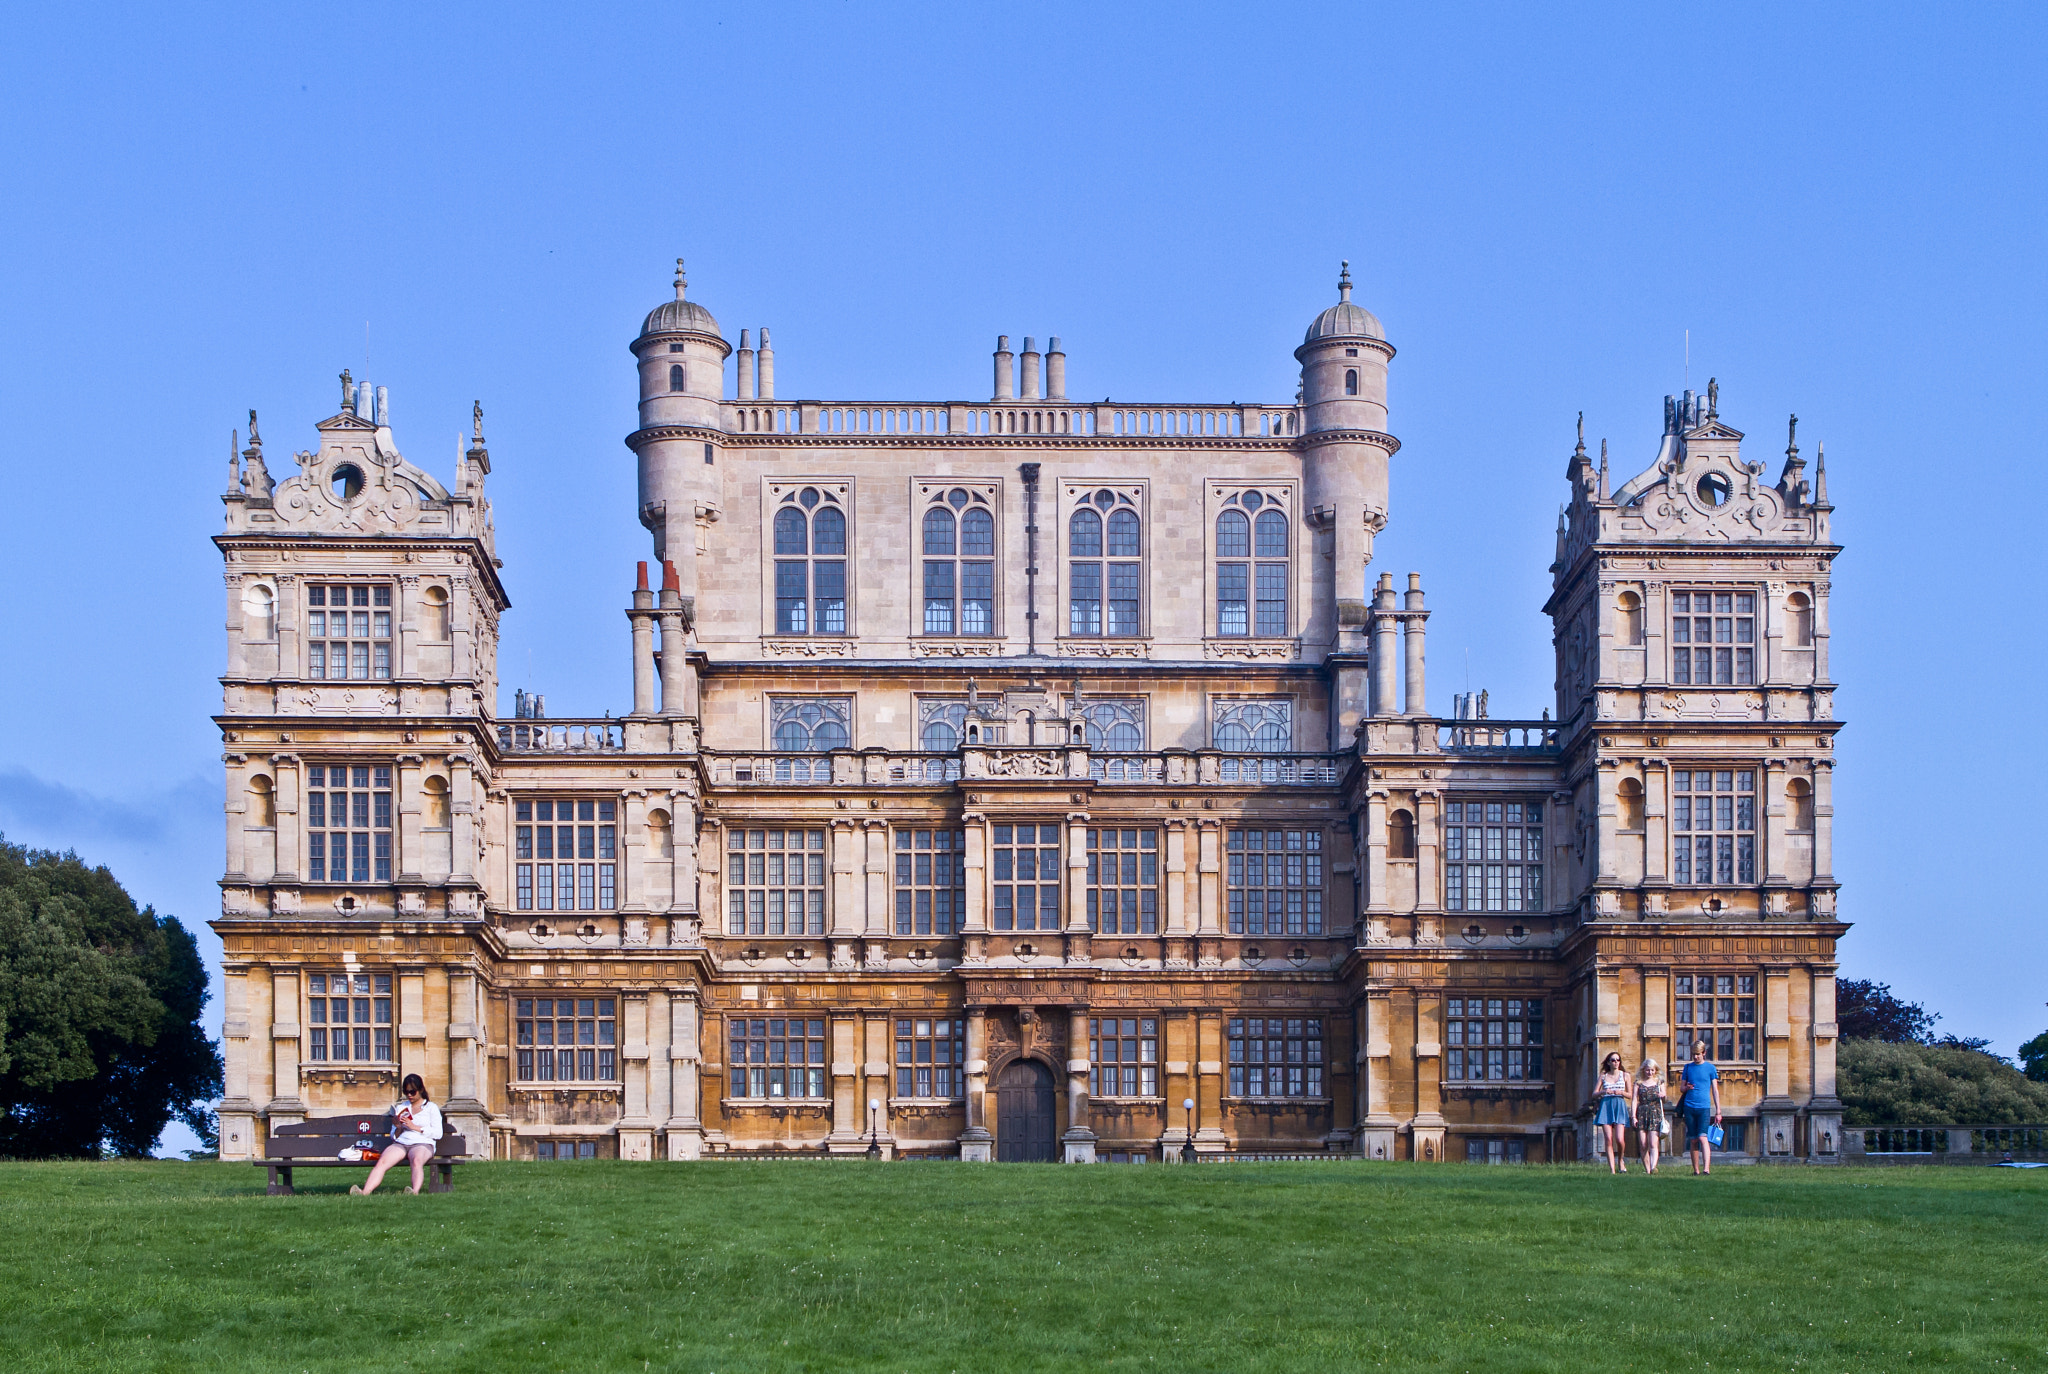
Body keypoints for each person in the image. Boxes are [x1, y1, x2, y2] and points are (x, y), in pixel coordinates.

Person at [352, 1074, 442, 1196]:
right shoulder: (402, 1107)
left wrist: (414, 1127)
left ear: (420, 1090)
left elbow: (438, 1133)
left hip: (422, 1143)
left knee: (416, 1160)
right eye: (406, 1092)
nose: (409, 1095)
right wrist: (398, 1127)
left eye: (412, 1092)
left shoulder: (431, 1107)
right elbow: (394, 1136)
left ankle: (414, 1191)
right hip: (402, 1142)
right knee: (383, 1161)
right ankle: (364, 1192)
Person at [1680, 1040, 1723, 1175]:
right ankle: (1696, 1170)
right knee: (1693, 1139)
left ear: (1704, 1053)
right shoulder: (1687, 1068)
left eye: (1698, 1054)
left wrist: (1718, 1111)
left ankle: (1706, 1169)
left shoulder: (1710, 1068)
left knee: (1703, 1138)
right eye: (1693, 1054)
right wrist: (1686, 1088)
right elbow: (1682, 1088)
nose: (1695, 1057)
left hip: (1704, 1107)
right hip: (1689, 1106)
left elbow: (1715, 1090)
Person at [1593, 1052, 1632, 1174]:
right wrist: (1604, 1091)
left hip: (1619, 1105)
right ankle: (1612, 1170)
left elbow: (1630, 1095)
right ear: (1608, 1062)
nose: (1616, 1062)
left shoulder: (1625, 1075)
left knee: (1620, 1139)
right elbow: (1594, 1093)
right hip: (1606, 1105)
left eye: (1618, 1060)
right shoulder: (1603, 1076)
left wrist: (1620, 1093)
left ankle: (1620, 1160)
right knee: (1608, 1139)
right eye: (1613, 1060)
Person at [1634, 1058, 1668, 1175]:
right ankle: (1647, 1169)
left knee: (1653, 1143)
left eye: (1652, 1070)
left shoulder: (1659, 1082)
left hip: (1655, 1112)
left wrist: (1663, 1095)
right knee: (1643, 1144)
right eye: (1648, 1070)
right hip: (1642, 1113)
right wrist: (1633, 1116)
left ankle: (1653, 1168)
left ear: (1655, 1070)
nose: (1650, 1073)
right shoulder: (1638, 1083)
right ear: (1644, 1070)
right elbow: (1634, 1100)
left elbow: (1665, 1098)